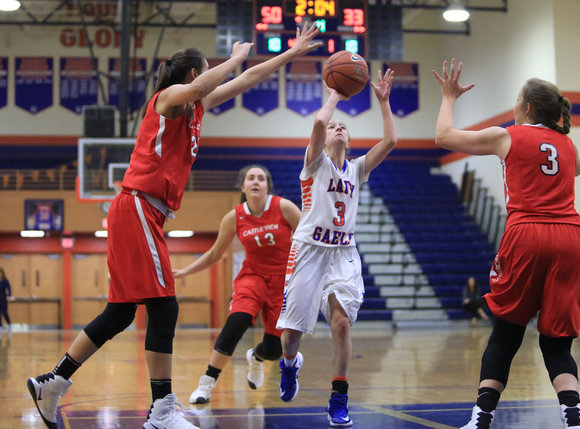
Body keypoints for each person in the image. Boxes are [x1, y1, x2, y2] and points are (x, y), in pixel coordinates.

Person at [27, 22, 321, 429]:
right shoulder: (167, 99)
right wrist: (233, 58)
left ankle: (53, 382)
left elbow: (248, 78)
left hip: (142, 213)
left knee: (121, 312)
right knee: (165, 306)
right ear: (193, 75)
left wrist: (290, 54)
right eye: (203, 72)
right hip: (138, 207)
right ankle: (162, 407)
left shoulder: (196, 106)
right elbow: (209, 84)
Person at [433, 59, 580, 429]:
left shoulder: (509, 135)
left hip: (528, 233)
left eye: (517, 100)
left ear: (527, 108)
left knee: (506, 333)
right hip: (571, 238)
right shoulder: (567, 143)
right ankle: (574, 418)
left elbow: (443, 137)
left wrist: (448, 97)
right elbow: (578, 169)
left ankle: (481, 418)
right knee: (557, 342)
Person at [276, 68, 396, 427]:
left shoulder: (357, 170)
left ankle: (339, 398)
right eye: (334, 127)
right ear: (325, 140)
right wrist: (335, 95)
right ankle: (289, 363)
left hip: (343, 254)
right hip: (309, 251)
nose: (338, 128)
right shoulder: (315, 164)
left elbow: (389, 142)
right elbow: (317, 122)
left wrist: (384, 103)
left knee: (341, 324)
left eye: (344, 126)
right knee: (292, 334)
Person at [172, 165, 300, 404]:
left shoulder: (284, 208)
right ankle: (206, 385)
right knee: (236, 324)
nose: (256, 182)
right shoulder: (235, 217)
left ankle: (256, 359)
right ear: (243, 187)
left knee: (273, 350)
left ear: (267, 186)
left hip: (282, 284)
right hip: (252, 278)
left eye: (261, 178)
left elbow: (309, 238)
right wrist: (185, 271)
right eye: (251, 178)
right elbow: (214, 254)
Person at [0, 268, 11, 333]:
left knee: (4, 312)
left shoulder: (5, 280)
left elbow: (9, 288)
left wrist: (9, 296)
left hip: (3, 298)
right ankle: (0, 325)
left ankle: (9, 324)